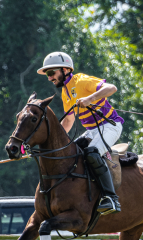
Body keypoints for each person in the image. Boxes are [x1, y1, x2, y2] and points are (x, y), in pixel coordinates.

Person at [37, 51, 124, 215]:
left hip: (110, 125)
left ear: (65, 69)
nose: (49, 78)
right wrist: (53, 144)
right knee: (70, 154)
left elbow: (111, 88)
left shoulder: (82, 80)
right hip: (92, 131)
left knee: (92, 153)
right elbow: (69, 121)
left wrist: (90, 99)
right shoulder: (65, 91)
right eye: (47, 74)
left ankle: (111, 198)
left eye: (51, 73)